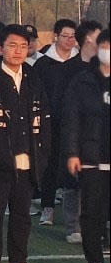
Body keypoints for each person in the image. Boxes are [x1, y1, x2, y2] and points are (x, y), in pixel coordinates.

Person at [0, 24, 51, 263]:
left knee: (22, 214)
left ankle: (18, 262)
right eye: (12, 45)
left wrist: (41, 154)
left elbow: (44, 118)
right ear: (0, 47)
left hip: (28, 158)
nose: (18, 51)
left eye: (23, 46)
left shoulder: (33, 77)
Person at [62, 28, 110, 263]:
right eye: (106, 47)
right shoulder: (83, 81)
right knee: (91, 213)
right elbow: (71, 120)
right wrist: (72, 153)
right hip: (91, 157)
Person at [34, 19, 79, 227]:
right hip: (50, 122)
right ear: (55, 36)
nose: (69, 40)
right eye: (65, 36)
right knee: (50, 165)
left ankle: (74, 215)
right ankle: (47, 208)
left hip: (73, 123)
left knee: (73, 166)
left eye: (73, 37)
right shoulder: (43, 63)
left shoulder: (80, 63)